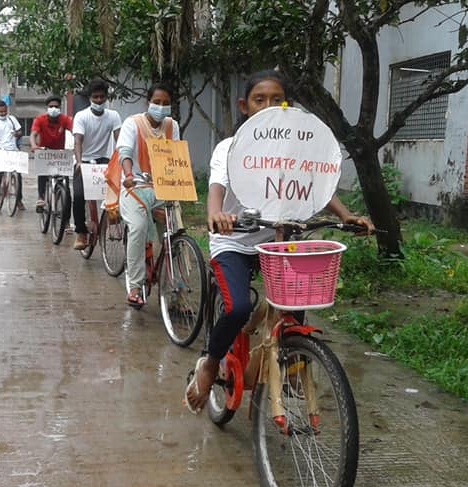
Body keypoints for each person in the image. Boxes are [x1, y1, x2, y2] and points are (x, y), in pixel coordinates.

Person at [184, 70, 374, 414]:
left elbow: (317, 185)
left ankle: (292, 360)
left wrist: (347, 216)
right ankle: (211, 361)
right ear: (244, 106)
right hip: (236, 241)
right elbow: (217, 188)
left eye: (277, 100)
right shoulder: (231, 147)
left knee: (293, 305)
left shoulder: (296, 149)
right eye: (260, 100)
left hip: (280, 238)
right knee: (238, 308)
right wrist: (216, 213)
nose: (269, 106)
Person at [116, 82, 180, 308]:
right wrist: (128, 173)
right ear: (148, 102)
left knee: (176, 233)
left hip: (163, 188)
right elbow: (124, 151)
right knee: (138, 228)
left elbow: (175, 157)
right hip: (135, 187)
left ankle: (178, 290)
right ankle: (134, 285)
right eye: (157, 102)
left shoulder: (173, 126)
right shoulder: (132, 123)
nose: (161, 107)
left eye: (166, 103)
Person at [72, 79, 121, 250]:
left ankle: (113, 223)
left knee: (115, 191)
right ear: (90, 98)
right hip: (83, 161)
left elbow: (119, 140)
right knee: (78, 195)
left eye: (102, 97)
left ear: (106, 97)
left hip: (103, 160)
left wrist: (122, 159)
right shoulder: (81, 116)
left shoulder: (113, 116)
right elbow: (78, 141)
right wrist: (79, 162)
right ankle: (80, 232)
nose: (99, 100)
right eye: (95, 97)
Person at [30, 95, 74, 212]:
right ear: (47, 108)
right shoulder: (39, 120)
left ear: (60, 107)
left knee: (65, 184)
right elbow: (33, 134)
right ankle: (41, 197)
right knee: (43, 173)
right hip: (45, 151)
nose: (53, 108)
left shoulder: (65, 119)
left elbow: (75, 131)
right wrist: (34, 145)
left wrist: (77, 145)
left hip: (60, 154)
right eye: (51, 106)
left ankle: (65, 215)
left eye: (56, 106)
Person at [0, 100, 24, 208]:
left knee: (18, 175)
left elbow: (20, 132)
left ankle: (19, 200)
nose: (3, 114)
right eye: (1, 112)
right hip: (1, 150)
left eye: (4, 111)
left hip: (13, 149)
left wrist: (17, 134)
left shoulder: (12, 119)